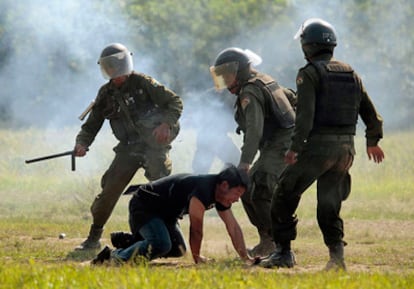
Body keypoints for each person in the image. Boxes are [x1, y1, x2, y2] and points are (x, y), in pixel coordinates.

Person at [259, 18, 385, 270]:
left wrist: (295, 148)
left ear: (307, 46)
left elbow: (304, 117)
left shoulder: (309, 74)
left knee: (283, 193)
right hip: (345, 151)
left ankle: (283, 253)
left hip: (318, 148)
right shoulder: (351, 73)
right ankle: (337, 259)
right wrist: (372, 140)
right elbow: (371, 113)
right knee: (329, 204)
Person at [74, 43, 183, 250]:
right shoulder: (105, 94)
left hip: (153, 146)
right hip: (128, 148)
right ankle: (94, 236)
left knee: (163, 190)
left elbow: (175, 102)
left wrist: (166, 124)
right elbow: (91, 124)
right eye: (107, 67)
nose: (111, 71)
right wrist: (82, 143)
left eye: (114, 66)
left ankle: (172, 236)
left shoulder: (144, 83)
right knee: (109, 190)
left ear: (124, 64)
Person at [209, 48, 297, 257]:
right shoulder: (263, 79)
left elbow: (254, 130)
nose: (225, 81)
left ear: (238, 71)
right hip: (278, 141)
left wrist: (245, 163)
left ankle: (279, 244)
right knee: (247, 188)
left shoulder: (249, 92)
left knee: (262, 186)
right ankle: (267, 240)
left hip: (282, 142)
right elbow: (292, 98)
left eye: (227, 75)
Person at [91, 165, 258, 265]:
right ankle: (113, 257)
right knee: (161, 244)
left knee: (178, 250)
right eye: (236, 193)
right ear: (224, 185)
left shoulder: (221, 195)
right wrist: (197, 257)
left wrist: (246, 258)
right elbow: (196, 229)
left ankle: (132, 243)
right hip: (144, 207)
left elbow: (233, 228)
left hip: (166, 215)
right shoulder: (203, 189)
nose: (237, 200)